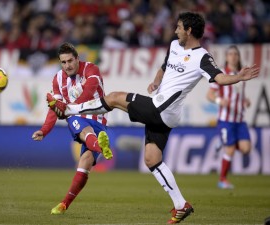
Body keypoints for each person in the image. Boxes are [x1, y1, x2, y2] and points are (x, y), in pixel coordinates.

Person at [47, 12, 259, 224]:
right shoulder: (175, 45)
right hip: (164, 112)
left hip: (162, 110)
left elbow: (219, 77)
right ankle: (180, 205)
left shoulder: (202, 57)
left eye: (179, 27)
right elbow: (164, 67)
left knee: (113, 98)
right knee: (151, 159)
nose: (175, 30)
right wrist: (156, 82)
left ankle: (72, 110)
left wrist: (238, 77)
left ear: (189, 30)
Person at [32, 42, 113, 215]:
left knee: (85, 163)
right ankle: (64, 205)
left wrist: (70, 107)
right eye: (63, 62)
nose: (67, 65)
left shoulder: (91, 69)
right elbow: (55, 109)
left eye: (70, 61)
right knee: (79, 125)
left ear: (77, 59)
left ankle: (99, 145)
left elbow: (89, 91)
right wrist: (44, 130)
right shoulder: (58, 79)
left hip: (98, 119)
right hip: (78, 118)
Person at [206, 45, 251, 189]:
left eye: (235, 54)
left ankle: (223, 141)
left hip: (240, 120)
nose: (233, 56)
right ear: (226, 57)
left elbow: (238, 95)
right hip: (226, 120)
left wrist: (245, 100)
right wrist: (219, 101)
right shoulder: (221, 74)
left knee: (246, 149)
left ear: (238, 57)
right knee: (230, 150)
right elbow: (210, 95)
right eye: (230, 54)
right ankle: (222, 179)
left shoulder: (241, 74)